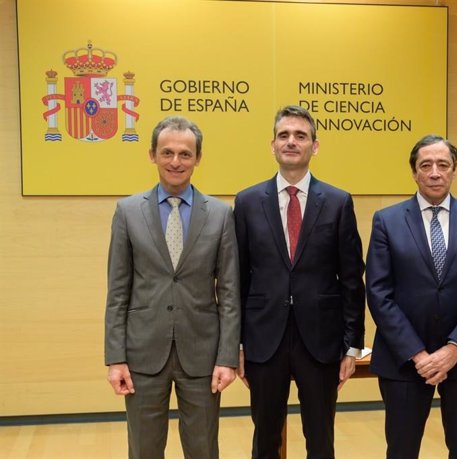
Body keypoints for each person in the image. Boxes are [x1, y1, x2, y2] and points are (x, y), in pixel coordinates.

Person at [104, 116, 241, 459]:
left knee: (203, 449)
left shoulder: (221, 215)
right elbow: (118, 291)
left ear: (198, 158)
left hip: (202, 354)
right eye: (167, 152)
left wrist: (228, 356)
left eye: (185, 153)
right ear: (152, 155)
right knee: (144, 449)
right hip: (142, 352)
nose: (176, 161)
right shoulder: (128, 211)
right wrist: (115, 357)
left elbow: (228, 293)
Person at [233, 105, 366, 459]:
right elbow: (237, 278)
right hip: (264, 340)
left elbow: (352, 278)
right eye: (284, 135)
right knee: (265, 440)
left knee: (320, 440)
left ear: (315, 146)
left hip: (321, 341)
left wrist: (352, 345)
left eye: (300, 136)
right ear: (272, 145)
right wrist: (239, 344)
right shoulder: (246, 203)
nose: (291, 142)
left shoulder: (338, 202)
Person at [366, 134, 457, 459]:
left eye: (443, 164)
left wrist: (454, 350)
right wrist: (418, 355)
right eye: (426, 165)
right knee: (401, 449)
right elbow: (379, 292)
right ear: (414, 172)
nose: (435, 172)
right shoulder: (387, 220)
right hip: (404, 360)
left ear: (454, 170)